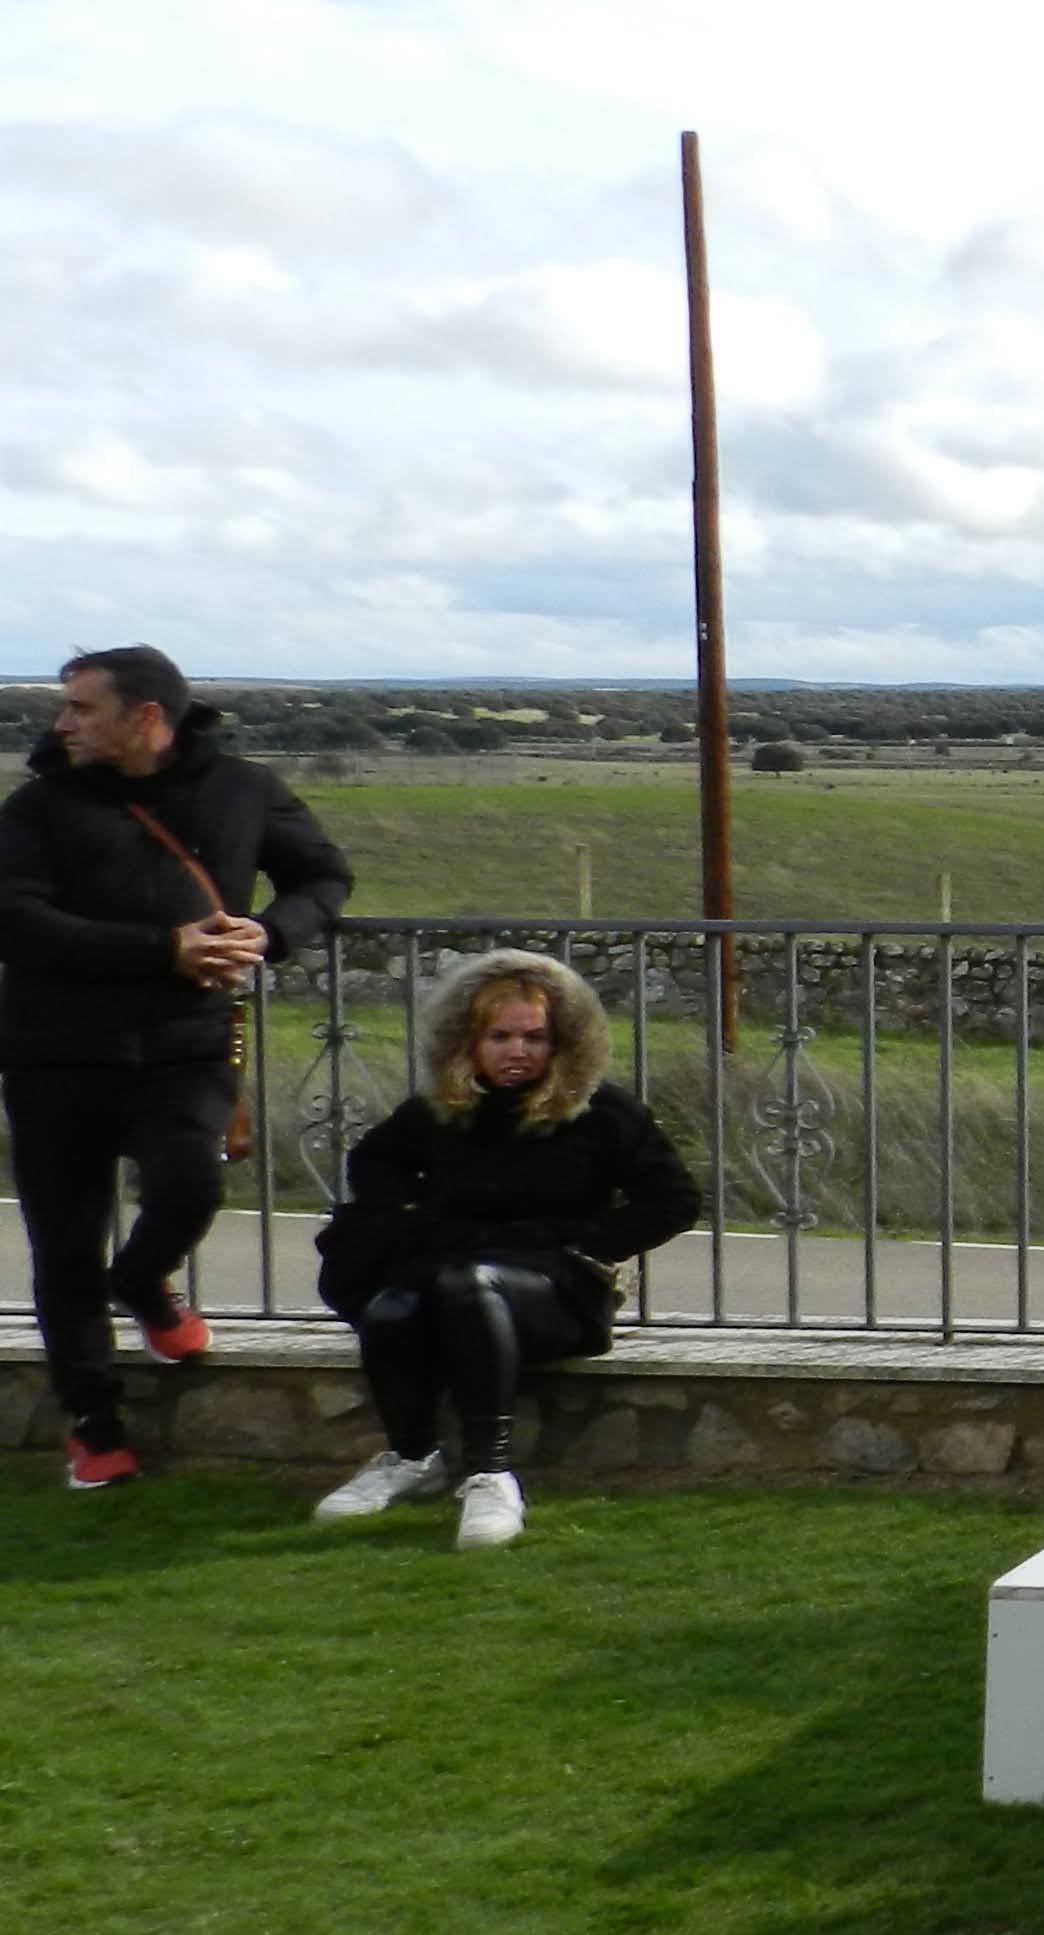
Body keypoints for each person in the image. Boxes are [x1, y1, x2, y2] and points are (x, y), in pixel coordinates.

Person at [1, 646, 351, 1489]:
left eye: (82, 707)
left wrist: (271, 933)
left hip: (187, 1046)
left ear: (147, 717)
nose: (62, 722)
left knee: (191, 1185)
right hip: (55, 1056)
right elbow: (15, 919)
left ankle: (146, 1284)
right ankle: (94, 1425)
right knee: (65, 1251)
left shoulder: (243, 790)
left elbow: (323, 876)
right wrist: (164, 949)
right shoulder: (37, 807)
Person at [311, 951, 702, 1549]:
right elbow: (373, 1162)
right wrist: (409, 1214)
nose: (517, 1051)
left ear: (563, 1041)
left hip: (558, 1289)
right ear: (467, 1041)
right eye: (499, 1036)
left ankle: (489, 1474)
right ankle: (411, 1456)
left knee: (473, 1284)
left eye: (534, 1037)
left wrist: (582, 1241)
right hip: (447, 1270)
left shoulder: (603, 1112)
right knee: (392, 1307)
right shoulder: (440, 1112)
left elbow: (672, 1200)